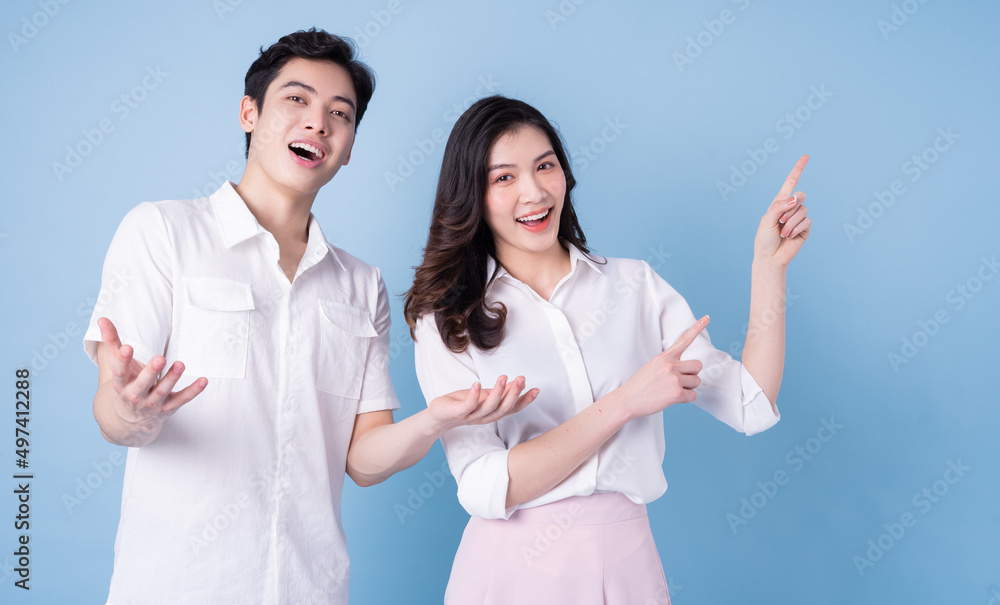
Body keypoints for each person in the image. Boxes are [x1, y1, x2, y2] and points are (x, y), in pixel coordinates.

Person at [82, 31, 535, 604]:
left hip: (311, 588)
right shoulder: (162, 233)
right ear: (250, 113)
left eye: (339, 114)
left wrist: (439, 419)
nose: (318, 123)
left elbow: (363, 463)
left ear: (348, 148)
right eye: (296, 100)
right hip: (178, 586)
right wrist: (132, 411)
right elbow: (114, 416)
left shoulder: (360, 283)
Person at [404, 95, 811, 604]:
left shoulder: (634, 285)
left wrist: (769, 268)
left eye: (545, 166)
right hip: (509, 571)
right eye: (503, 177)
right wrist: (625, 402)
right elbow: (485, 486)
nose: (533, 191)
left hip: (627, 564)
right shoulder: (446, 320)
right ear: (473, 195)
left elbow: (750, 404)